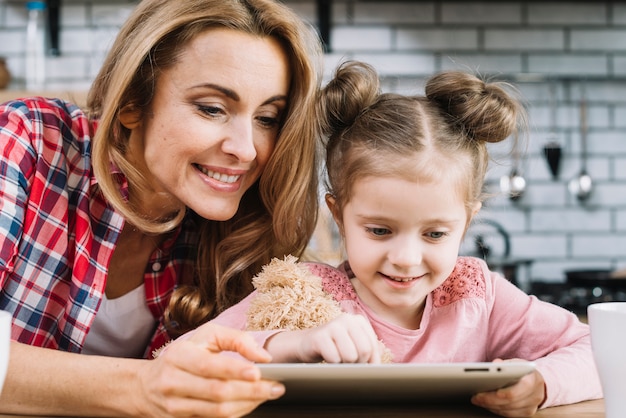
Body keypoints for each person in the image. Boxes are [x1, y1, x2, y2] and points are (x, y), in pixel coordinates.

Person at [200, 61, 603, 417]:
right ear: (339, 214)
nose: (407, 258)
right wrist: (295, 344)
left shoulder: (478, 297)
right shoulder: (305, 293)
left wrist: (543, 384)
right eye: (379, 230)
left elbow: (603, 353)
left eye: (435, 234)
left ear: (466, 223)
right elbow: (197, 358)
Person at [0, 0, 323, 416]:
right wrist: (143, 386)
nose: (245, 150)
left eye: (267, 118)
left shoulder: (232, 230)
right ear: (133, 102)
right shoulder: (26, 141)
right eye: (211, 108)